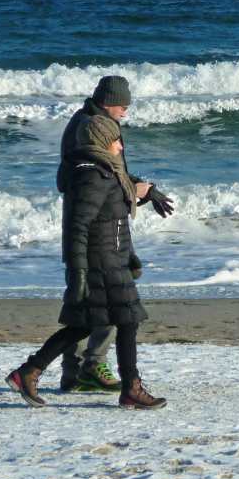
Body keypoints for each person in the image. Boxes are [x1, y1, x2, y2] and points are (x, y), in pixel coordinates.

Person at [7, 114, 166, 409]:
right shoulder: (92, 174)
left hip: (112, 260)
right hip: (99, 264)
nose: (121, 146)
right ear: (101, 141)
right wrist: (79, 272)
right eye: (115, 141)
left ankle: (29, 371)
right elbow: (78, 227)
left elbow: (114, 218)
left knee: (87, 324)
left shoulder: (106, 170)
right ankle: (130, 389)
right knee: (125, 320)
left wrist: (129, 256)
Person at [55, 75, 174, 392]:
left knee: (93, 304)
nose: (126, 110)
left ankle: (78, 370)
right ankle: (85, 367)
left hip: (109, 225)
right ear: (108, 102)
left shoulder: (101, 123)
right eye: (122, 104)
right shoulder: (88, 126)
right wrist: (132, 191)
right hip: (93, 227)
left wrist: (142, 190)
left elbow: (114, 173)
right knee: (96, 303)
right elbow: (97, 177)